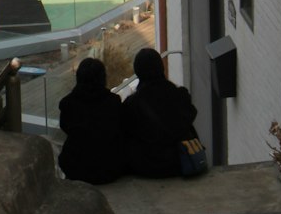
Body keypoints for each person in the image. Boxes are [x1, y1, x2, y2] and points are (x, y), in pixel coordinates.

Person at [121, 47, 198, 178]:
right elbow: (190, 115)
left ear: (138, 71)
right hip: (178, 162)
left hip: (145, 167)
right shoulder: (179, 95)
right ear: (160, 68)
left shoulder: (132, 104)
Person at [57, 56, 126, 185]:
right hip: (110, 169)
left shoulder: (67, 104)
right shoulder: (113, 102)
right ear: (102, 78)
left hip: (77, 170)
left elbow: (66, 128)